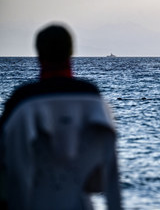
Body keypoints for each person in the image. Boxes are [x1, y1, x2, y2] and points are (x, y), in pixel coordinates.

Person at [0, 24, 122, 210]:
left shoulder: (22, 103)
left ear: (39, 54)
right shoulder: (94, 101)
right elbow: (104, 179)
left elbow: (9, 168)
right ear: (71, 52)